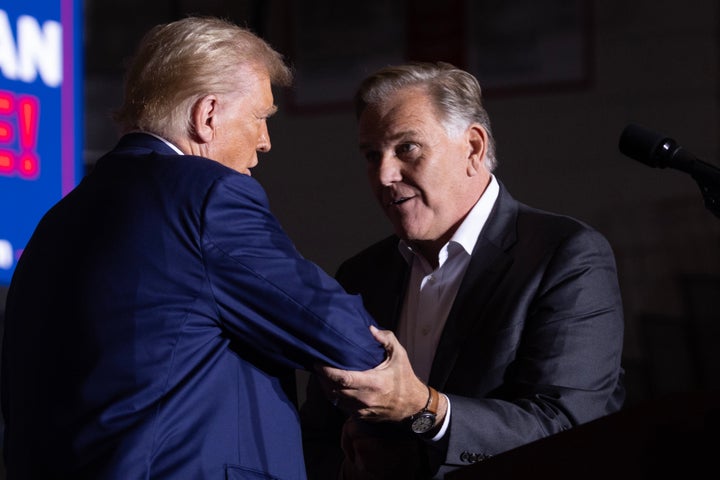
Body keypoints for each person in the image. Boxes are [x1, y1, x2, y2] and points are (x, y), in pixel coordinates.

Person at [1, 17, 386, 479]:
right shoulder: (208, 194)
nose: (264, 142)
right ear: (207, 116)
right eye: (261, 118)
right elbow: (346, 340)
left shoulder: (57, 219)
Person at [300, 62, 626, 479]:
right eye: (371, 154)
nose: (384, 175)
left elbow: (565, 428)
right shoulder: (361, 274)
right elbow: (319, 435)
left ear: (473, 147)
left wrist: (422, 408)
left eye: (407, 148)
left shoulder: (566, 257)